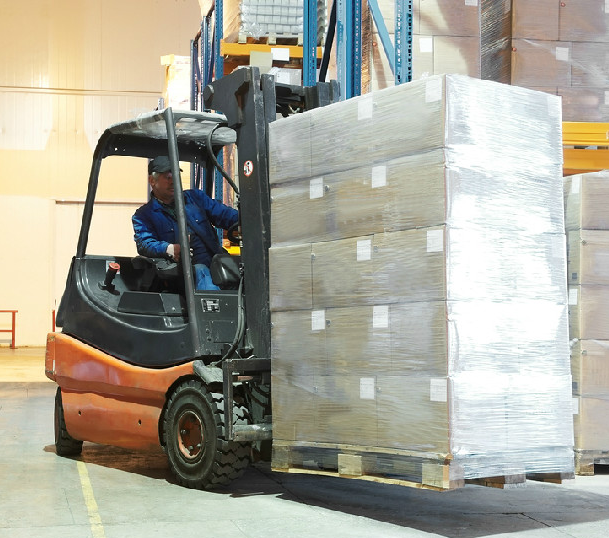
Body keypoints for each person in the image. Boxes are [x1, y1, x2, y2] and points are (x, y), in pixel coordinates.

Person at [132, 156, 238, 290]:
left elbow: (224, 214)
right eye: (167, 177)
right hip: (184, 274)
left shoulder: (195, 198)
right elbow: (145, 243)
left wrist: (246, 218)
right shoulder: (143, 215)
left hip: (215, 262)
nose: (173, 181)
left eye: (176, 176)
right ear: (152, 181)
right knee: (201, 272)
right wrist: (169, 249)